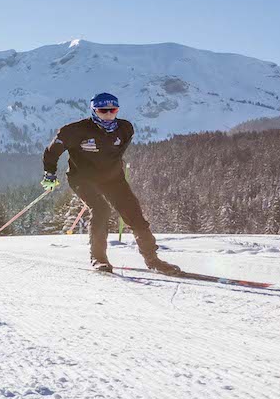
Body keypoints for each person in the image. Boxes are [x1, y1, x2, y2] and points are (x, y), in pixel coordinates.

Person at [41, 92, 184, 275]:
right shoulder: (73, 131)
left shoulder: (125, 128)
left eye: (113, 110)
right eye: (103, 110)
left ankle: (153, 260)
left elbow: (116, 151)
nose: (108, 114)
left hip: (112, 179)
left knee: (134, 213)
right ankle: (99, 259)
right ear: (94, 110)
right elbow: (51, 152)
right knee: (101, 209)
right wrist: (50, 174)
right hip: (82, 179)